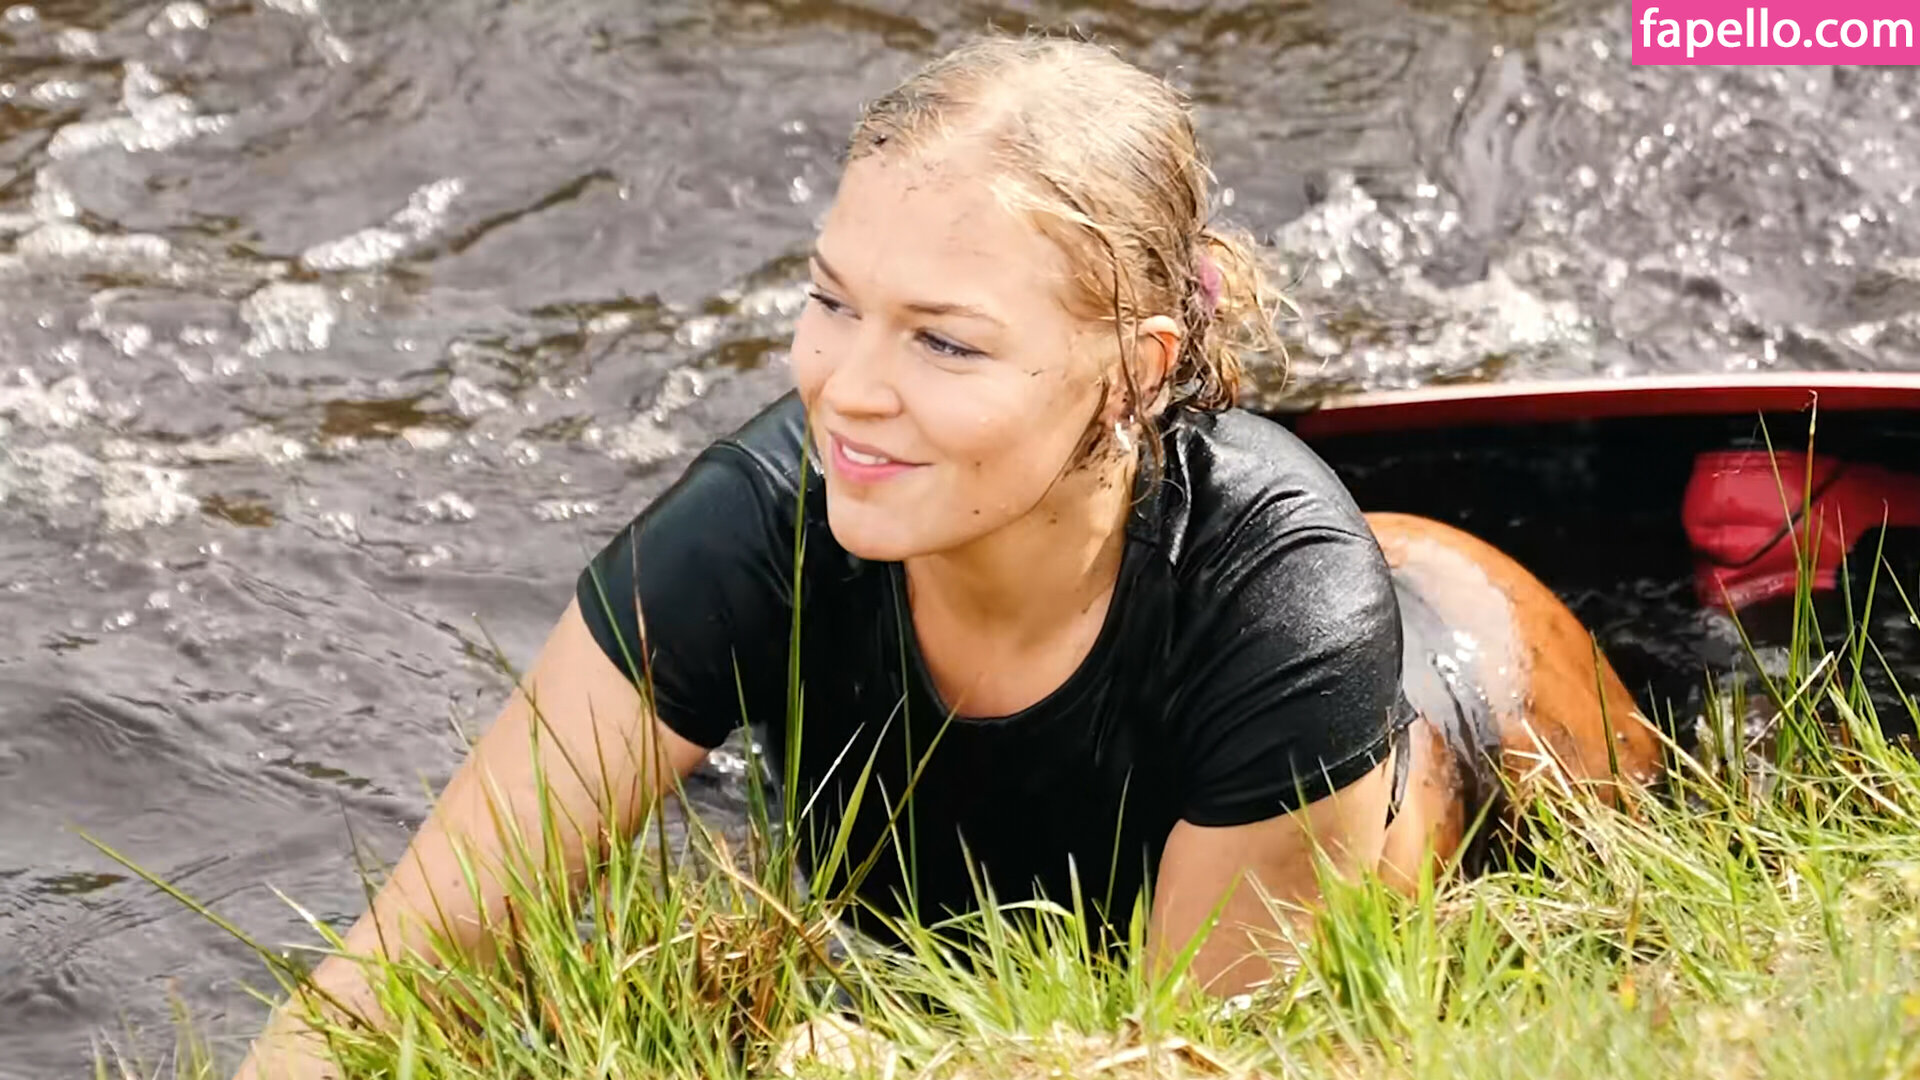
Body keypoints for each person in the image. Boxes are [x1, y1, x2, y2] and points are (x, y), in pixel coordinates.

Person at [232, 33, 1660, 1079]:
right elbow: (372, 994)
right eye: (831, 301)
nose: (845, 389)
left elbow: (1181, 1056)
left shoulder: (1286, 618)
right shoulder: (756, 525)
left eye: (945, 341)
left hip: (1483, 688)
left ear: (1133, 368)